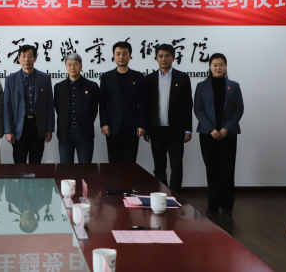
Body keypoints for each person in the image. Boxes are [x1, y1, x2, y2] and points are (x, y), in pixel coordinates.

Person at [194, 53, 244, 216]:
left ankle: (227, 206)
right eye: (215, 65)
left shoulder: (234, 86)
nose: (218, 68)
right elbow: (198, 110)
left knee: (227, 170)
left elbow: (238, 110)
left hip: (228, 134)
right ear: (210, 67)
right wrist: (211, 129)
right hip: (207, 135)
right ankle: (213, 205)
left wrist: (226, 129)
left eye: (221, 65)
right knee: (212, 169)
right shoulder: (201, 86)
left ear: (226, 66)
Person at [144, 44, 193, 194]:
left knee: (176, 165)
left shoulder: (182, 78)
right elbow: (146, 106)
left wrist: (188, 129)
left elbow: (188, 105)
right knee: (159, 166)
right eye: (160, 56)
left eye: (167, 56)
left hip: (176, 130)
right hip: (156, 130)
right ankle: (162, 195)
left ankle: (175, 196)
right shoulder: (149, 79)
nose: (163, 59)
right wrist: (146, 127)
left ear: (173, 58)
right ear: (156, 58)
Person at [4, 44, 54, 164]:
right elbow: (7, 107)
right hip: (19, 128)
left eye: (30, 56)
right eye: (23, 56)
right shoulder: (11, 80)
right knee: (19, 164)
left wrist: (49, 129)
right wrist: (8, 130)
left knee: (36, 163)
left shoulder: (45, 78)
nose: (27, 59)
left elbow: (49, 106)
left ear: (35, 58)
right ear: (19, 58)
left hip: (38, 127)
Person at [99, 41, 147, 163]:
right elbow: (103, 103)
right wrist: (104, 123)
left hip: (132, 127)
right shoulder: (106, 77)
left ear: (130, 56)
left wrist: (141, 124)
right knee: (113, 163)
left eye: (124, 53)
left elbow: (143, 103)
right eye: (118, 53)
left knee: (130, 162)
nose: (121, 56)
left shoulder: (138, 77)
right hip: (112, 127)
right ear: (114, 56)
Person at [53, 53, 100, 164]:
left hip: (85, 132)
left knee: (85, 168)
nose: (72, 67)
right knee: (66, 168)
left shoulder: (92, 86)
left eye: (75, 64)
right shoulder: (59, 87)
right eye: (69, 65)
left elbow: (94, 109)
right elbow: (58, 109)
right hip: (65, 133)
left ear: (81, 66)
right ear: (66, 67)